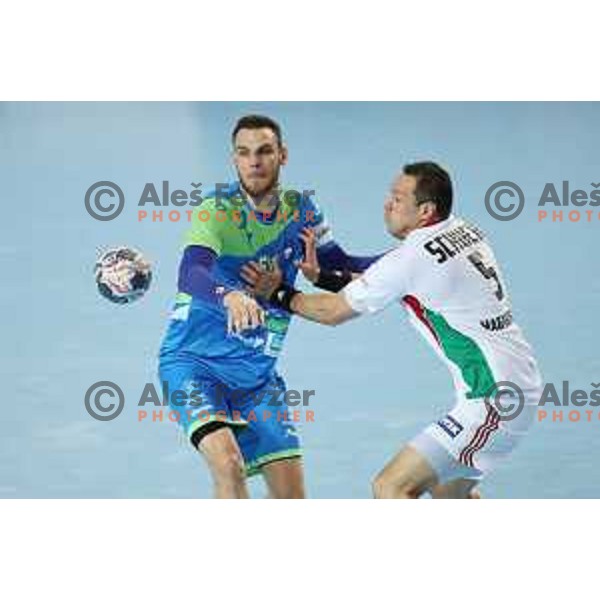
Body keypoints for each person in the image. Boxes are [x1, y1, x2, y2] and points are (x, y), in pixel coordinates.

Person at [244, 161, 542, 499]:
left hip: (493, 399)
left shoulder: (410, 259)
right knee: (449, 494)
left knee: (391, 487)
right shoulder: (462, 230)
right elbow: (380, 275)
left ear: (426, 210)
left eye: (398, 199)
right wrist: (321, 277)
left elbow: (333, 312)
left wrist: (279, 292)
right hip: (514, 383)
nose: (387, 204)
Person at [158, 114, 381, 498]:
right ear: (234, 160)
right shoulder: (217, 210)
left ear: (283, 155)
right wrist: (229, 295)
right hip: (193, 365)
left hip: (257, 378)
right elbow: (191, 271)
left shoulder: (303, 210)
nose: (254, 161)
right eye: (243, 153)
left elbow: (340, 265)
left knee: (292, 497)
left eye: (264, 151)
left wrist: (414, 254)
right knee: (229, 466)